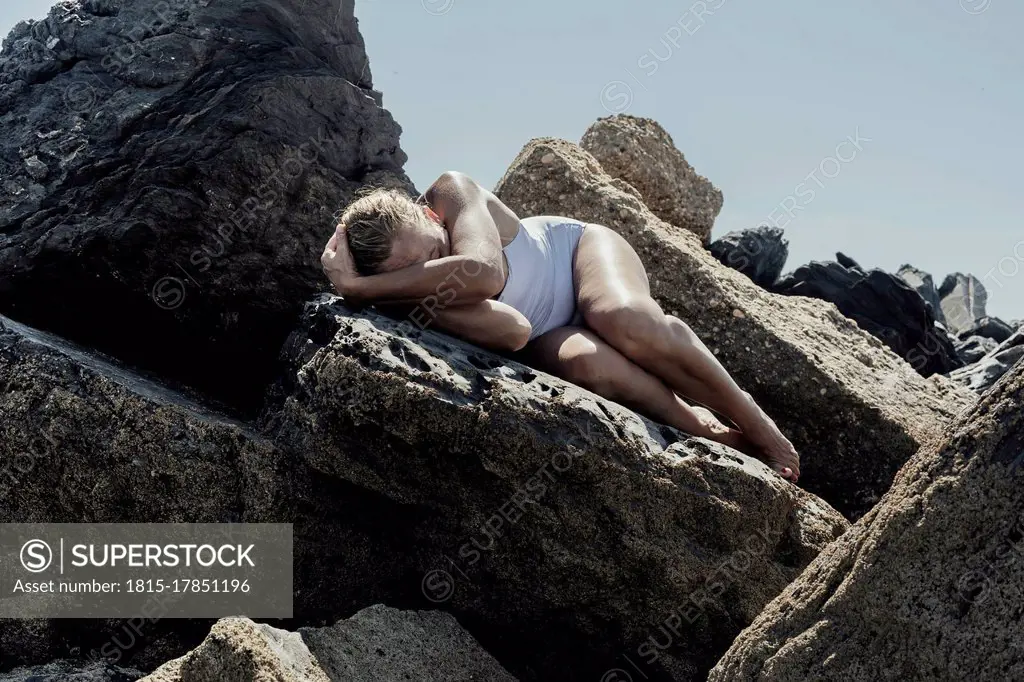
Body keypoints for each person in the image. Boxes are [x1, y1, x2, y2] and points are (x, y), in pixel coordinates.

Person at [320, 171, 800, 481]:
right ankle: (711, 433)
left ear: (429, 214)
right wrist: (404, 294)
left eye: (431, 251)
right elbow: (514, 330)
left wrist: (362, 291)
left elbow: (484, 272)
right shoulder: (409, 297)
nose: (435, 265)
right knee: (587, 367)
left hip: (575, 255)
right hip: (548, 331)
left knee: (623, 318)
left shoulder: (452, 191)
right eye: (411, 271)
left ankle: (755, 421)